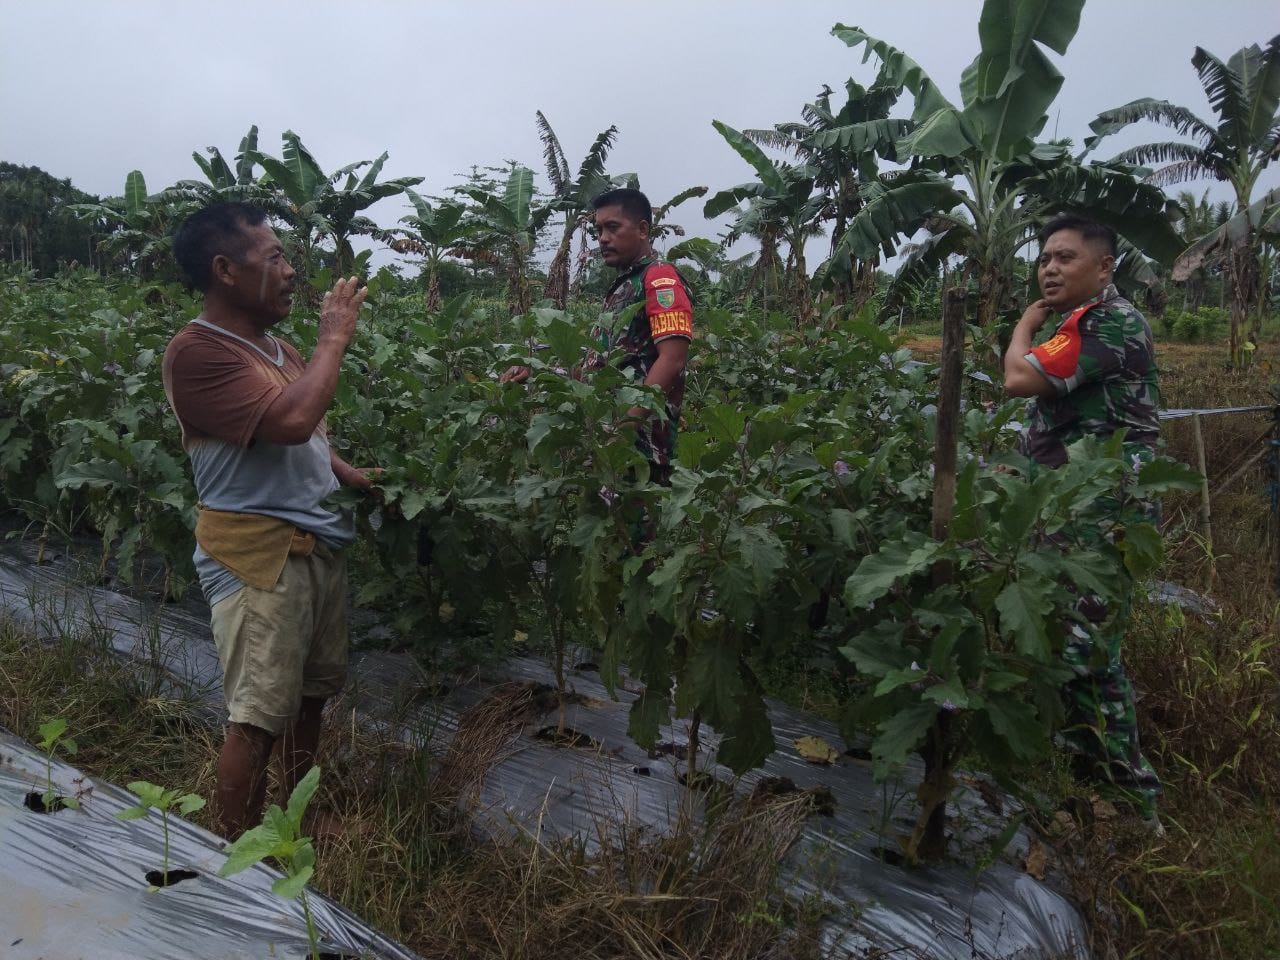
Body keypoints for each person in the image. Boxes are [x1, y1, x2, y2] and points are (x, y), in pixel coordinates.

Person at [164, 202, 375, 838]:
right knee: (256, 716)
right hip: (259, 558)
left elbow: (306, 437)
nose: (290, 271)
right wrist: (333, 337)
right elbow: (289, 422)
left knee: (309, 698)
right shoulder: (196, 354)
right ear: (225, 269)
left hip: (314, 546)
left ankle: (294, 824)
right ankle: (239, 863)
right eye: (275, 257)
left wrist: (350, 475)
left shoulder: (274, 347)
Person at [1003, 213, 1163, 825]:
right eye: (1045, 257)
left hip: (1102, 511)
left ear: (1104, 267)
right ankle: (1088, 784)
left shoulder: (1108, 323)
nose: (1049, 267)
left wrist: (1023, 324)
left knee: (1085, 649)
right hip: (1073, 505)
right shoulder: (1081, 323)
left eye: (1065, 257)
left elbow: (1020, 377)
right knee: (1070, 645)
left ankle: (1130, 801)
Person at [502, 187, 694, 486]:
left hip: (638, 451)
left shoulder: (659, 278)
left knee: (632, 529)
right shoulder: (624, 287)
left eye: (612, 227)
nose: (602, 238)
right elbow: (597, 371)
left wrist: (624, 427)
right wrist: (538, 372)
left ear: (643, 229)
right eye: (598, 230)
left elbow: (673, 359)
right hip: (608, 443)